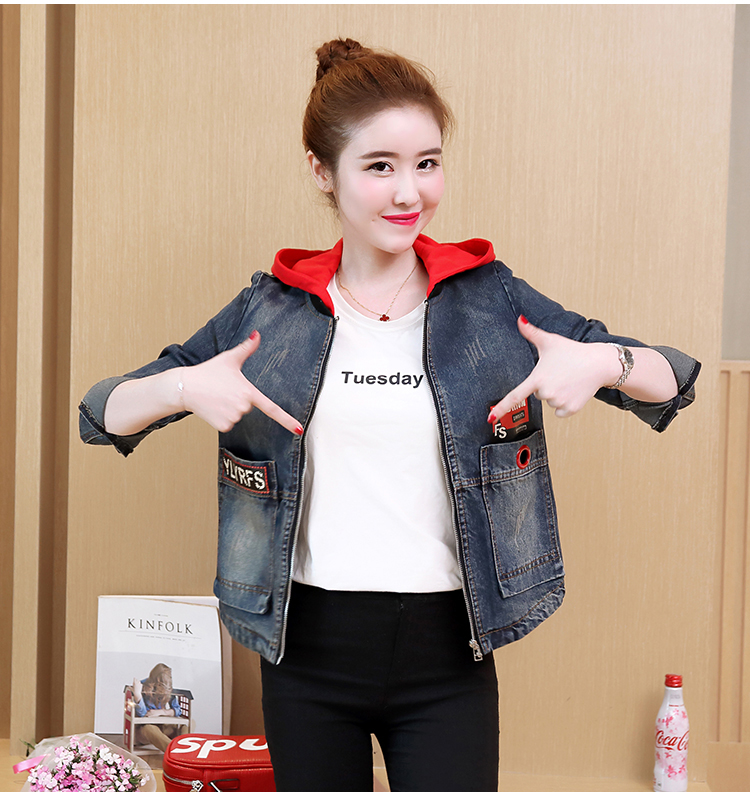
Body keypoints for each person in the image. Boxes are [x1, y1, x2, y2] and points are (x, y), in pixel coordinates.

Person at [79, 38, 699, 791]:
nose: (410, 193)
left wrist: (605, 364)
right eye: (380, 167)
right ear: (322, 171)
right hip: (305, 656)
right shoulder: (270, 311)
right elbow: (104, 413)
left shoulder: (489, 300)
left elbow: (670, 380)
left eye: (427, 163)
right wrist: (182, 388)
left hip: (449, 656)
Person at [132, 663, 187, 752]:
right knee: (149, 729)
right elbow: (142, 714)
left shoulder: (168, 688)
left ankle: (184, 746)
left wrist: (161, 712)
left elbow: (178, 711)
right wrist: (138, 696)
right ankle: (174, 751)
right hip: (145, 730)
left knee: (189, 724)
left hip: (162, 727)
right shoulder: (143, 686)